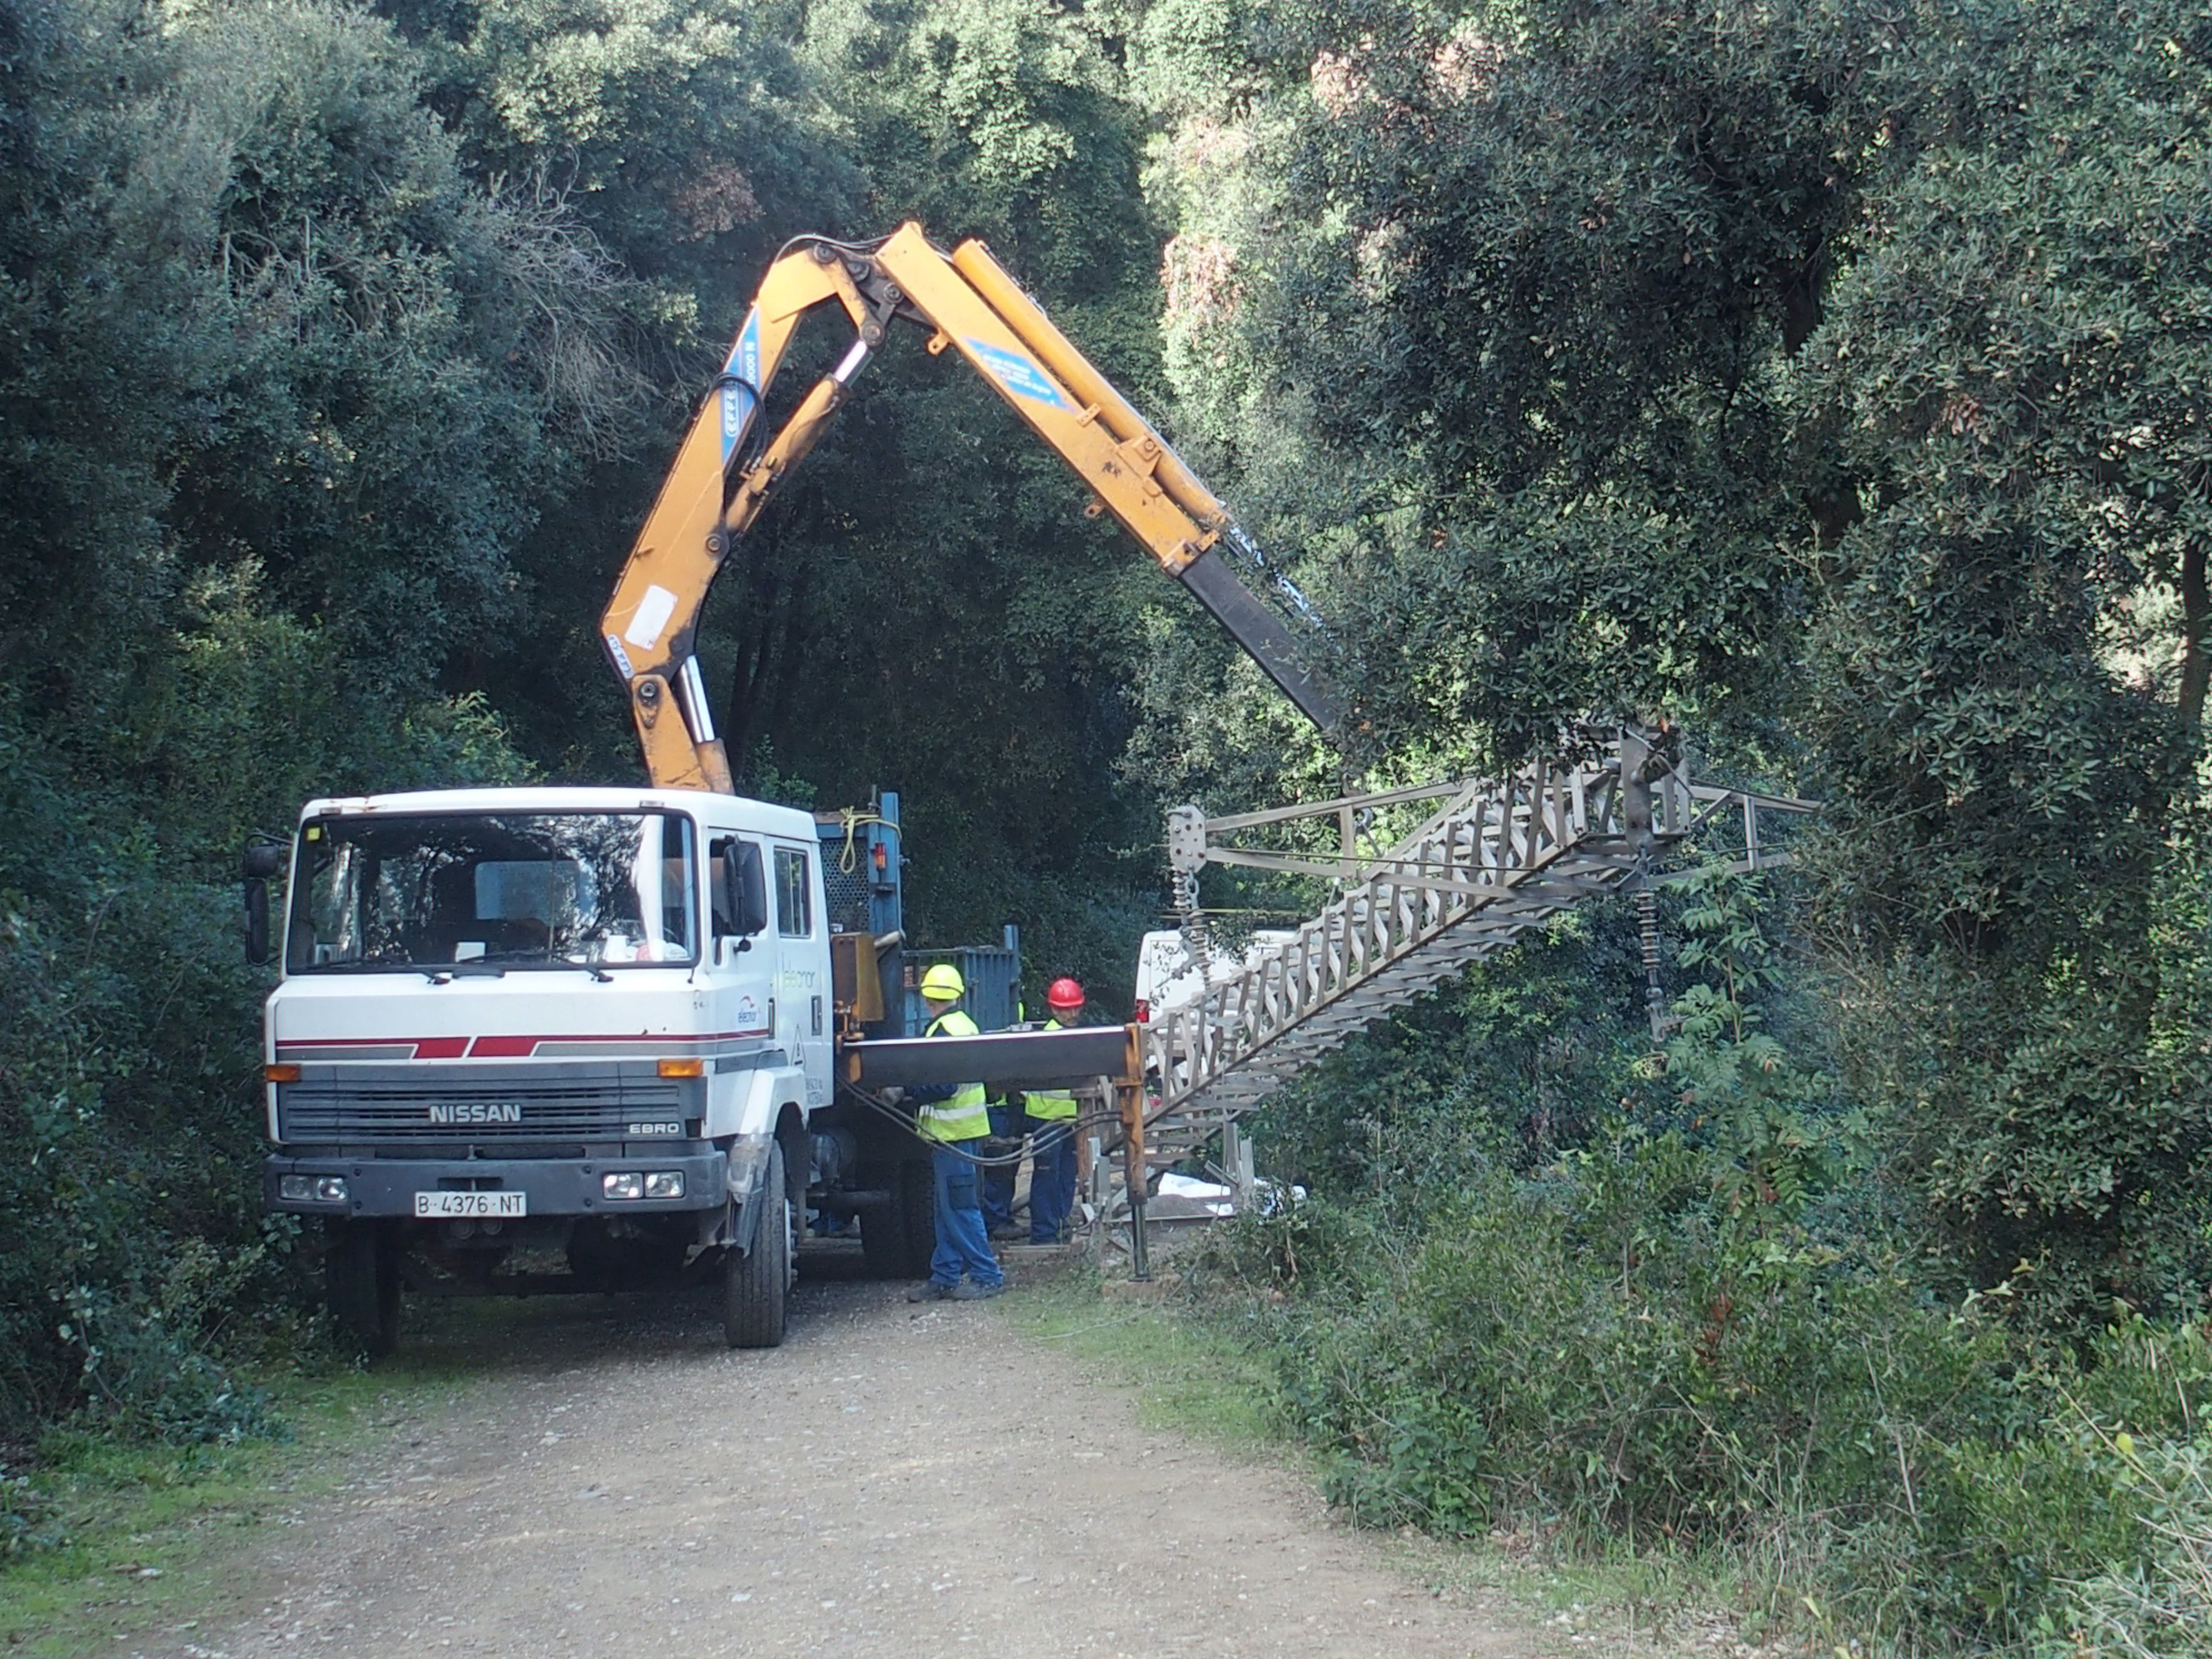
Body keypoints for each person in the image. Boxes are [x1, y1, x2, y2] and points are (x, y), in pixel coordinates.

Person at [904, 963, 1005, 1302]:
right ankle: (944, 1275)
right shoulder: (965, 1025)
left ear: (927, 998)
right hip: (962, 1132)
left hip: (953, 1134)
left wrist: (907, 1090)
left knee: (960, 1208)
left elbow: (943, 1086)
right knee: (947, 1208)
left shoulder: (942, 1031)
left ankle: (987, 1275)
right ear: (958, 994)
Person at [1017, 977, 1088, 1245]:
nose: (1072, 1014)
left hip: (1071, 1119)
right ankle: (1044, 1233)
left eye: (1075, 1008)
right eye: (1066, 1009)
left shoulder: (1077, 1038)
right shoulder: (1045, 1040)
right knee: (1047, 1177)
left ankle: (1059, 1225)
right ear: (1054, 1009)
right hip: (1047, 1121)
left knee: (1066, 1177)